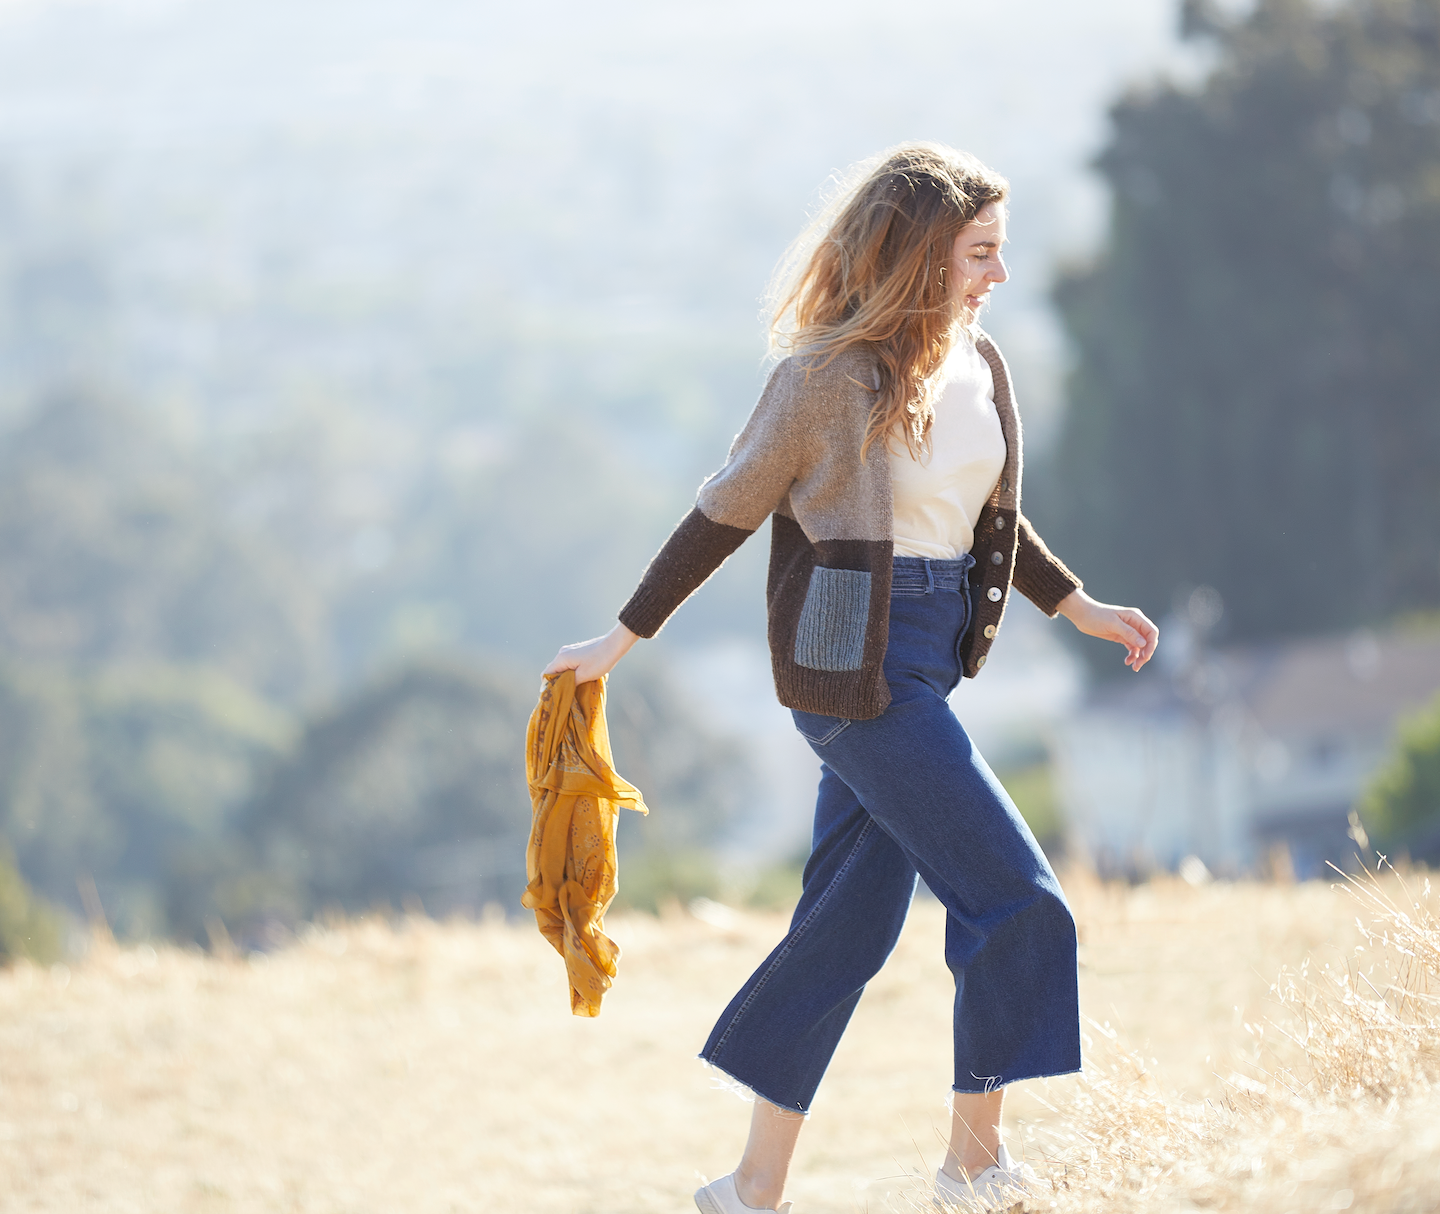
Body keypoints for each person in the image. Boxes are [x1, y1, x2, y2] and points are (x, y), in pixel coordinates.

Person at [544, 143, 1159, 1213]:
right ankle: (973, 1169)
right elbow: (726, 509)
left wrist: (1080, 606)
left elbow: (990, 518)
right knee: (1018, 899)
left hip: (933, 654)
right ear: (921, 252)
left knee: (846, 927)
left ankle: (750, 1188)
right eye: (980, 252)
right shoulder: (824, 376)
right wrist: (620, 638)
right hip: (852, 672)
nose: (999, 274)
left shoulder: (980, 363)